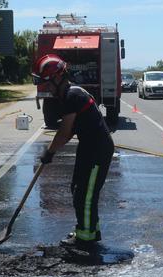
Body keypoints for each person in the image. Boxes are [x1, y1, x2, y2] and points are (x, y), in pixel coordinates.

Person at [32, 54, 115, 248]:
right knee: (78, 189)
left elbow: (64, 131)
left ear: (58, 77)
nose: (47, 88)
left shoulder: (72, 95)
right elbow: (68, 132)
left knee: (85, 194)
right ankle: (87, 228)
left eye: (48, 83)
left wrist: (50, 153)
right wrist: (50, 152)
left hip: (98, 150)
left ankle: (85, 237)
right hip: (88, 147)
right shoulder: (69, 95)